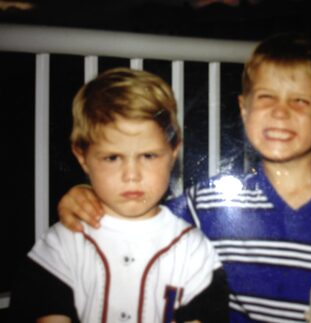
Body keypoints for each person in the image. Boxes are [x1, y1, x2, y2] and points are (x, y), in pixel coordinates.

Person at [56, 34, 311, 323]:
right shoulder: (211, 202)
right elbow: (138, 211)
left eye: (300, 101)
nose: (280, 112)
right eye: (266, 98)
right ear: (244, 110)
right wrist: (86, 194)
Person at [9, 68, 229, 323]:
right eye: (112, 158)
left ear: (173, 151)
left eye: (148, 156)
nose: (131, 175)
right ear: (83, 158)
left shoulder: (193, 251)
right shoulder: (61, 246)